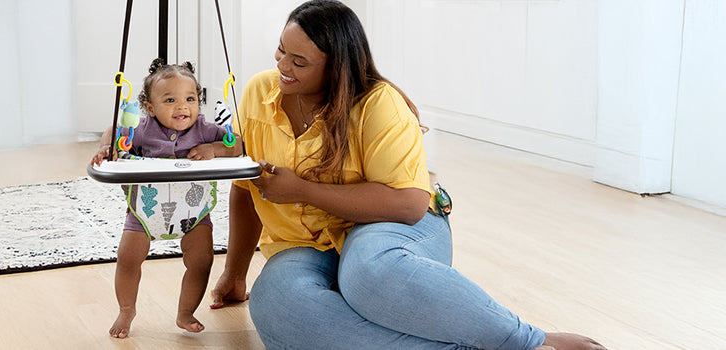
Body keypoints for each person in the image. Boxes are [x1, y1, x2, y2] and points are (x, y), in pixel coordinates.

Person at [207, 1, 607, 349]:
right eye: (280, 52)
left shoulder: (379, 103)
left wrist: (302, 190)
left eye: (299, 62)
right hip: (303, 247)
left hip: (394, 226)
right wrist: (234, 273)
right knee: (279, 306)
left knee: (369, 274)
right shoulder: (260, 91)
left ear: (337, 70)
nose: (282, 68)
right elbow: (246, 189)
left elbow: (408, 204)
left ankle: (525, 340)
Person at [91, 58, 242, 338]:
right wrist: (106, 148)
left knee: (201, 261)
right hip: (146, 211)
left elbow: (238, 144)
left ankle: (186, 312)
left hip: (193, 212)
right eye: (170, 100)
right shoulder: (143, 128)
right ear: (149, 107)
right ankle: (126, 309)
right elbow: (113, 132)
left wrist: (214, 149)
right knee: (127, 259)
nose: (182, 106)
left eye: (190, 98)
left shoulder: (204, 130)